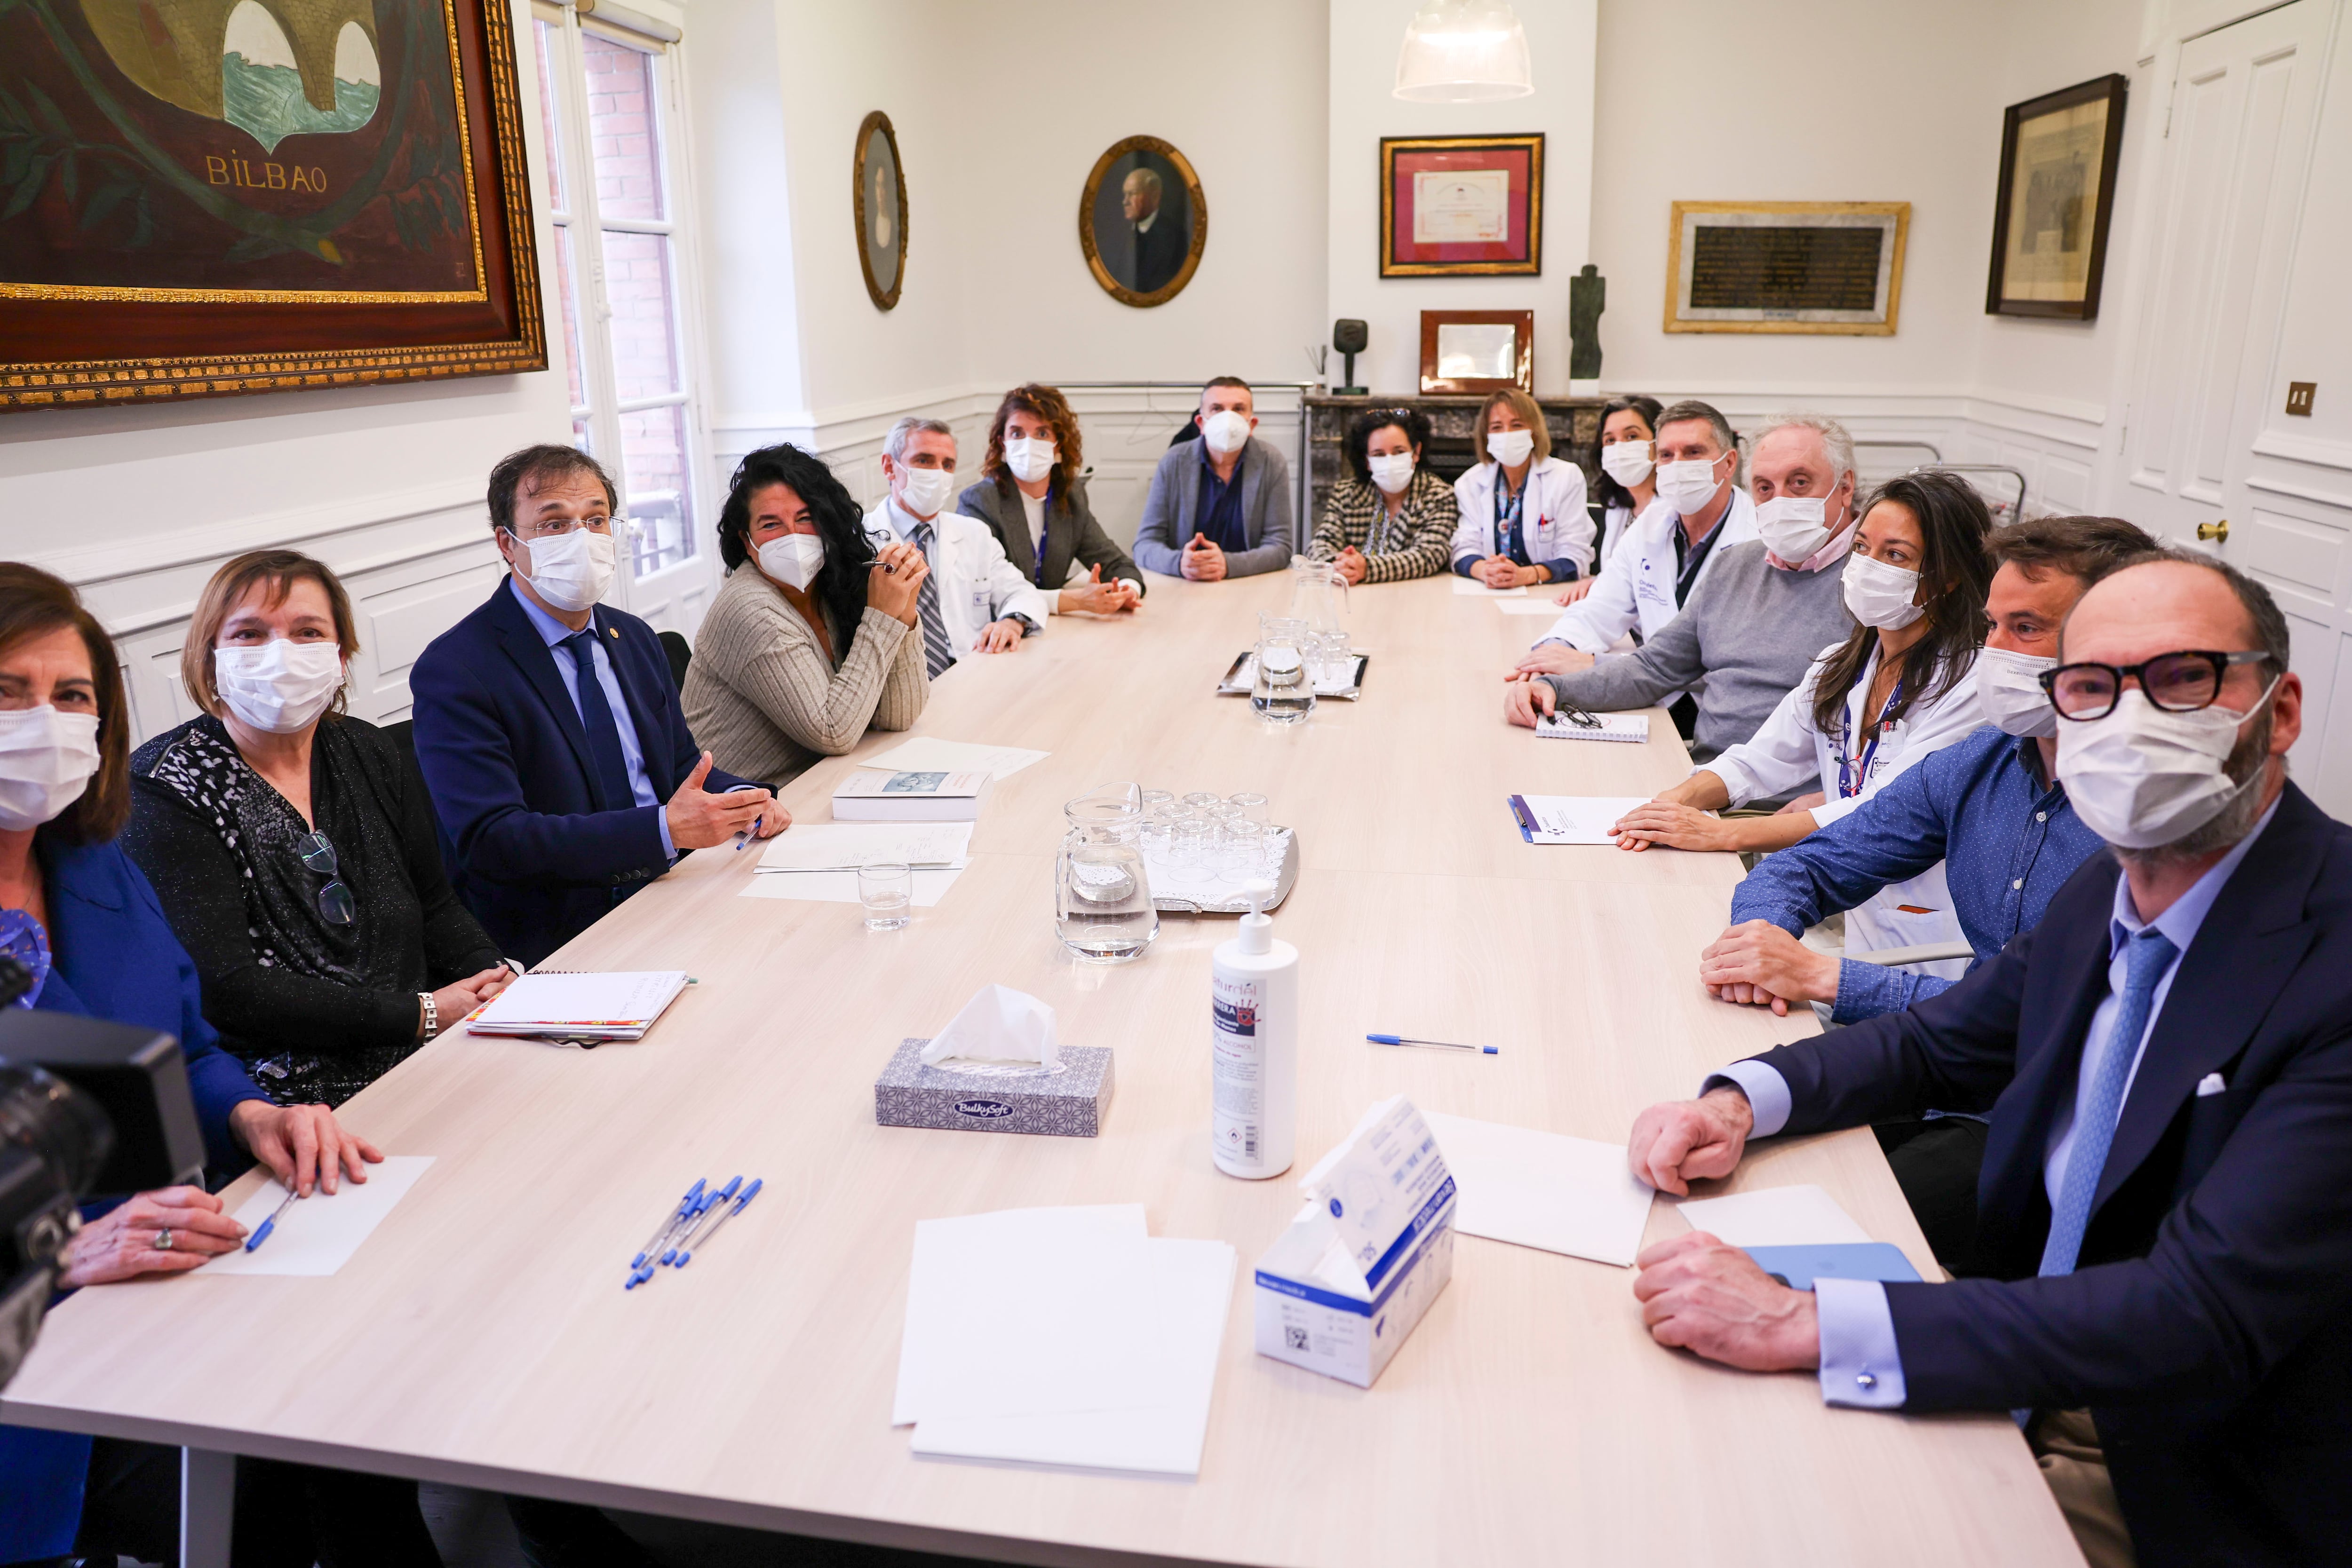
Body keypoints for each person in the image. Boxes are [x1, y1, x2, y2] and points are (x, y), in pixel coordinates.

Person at [1625, 552, 2349, 1568]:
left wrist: (1806, 1320)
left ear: (2277, 711)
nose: (2130, 721)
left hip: (2177, 1458)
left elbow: (2197, 1310)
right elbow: (1941, 1038)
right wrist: (1745, 1097)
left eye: (2183, 677)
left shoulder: (2333, 955)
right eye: (2093, 686)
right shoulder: (2111, 884)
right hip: (2022, 1346)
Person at [0, 564, 386, 1568]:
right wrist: (46, 1258)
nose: (44, 720)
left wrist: (256, 1114)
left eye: (71, 696)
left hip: (180, 1276)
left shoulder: (92, 863)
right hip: (43, 1355)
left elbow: (188, 1049)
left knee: (356, 1409)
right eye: (8, 691)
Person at [1701, 514, 2155, 1023]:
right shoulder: (1978, 765)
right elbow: (1807, 866)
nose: (1994, 652)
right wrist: (1757, 942)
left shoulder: (2160, 818)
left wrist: (1823, 977)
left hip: (2032, 1088)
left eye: (2025, 628)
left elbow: (2047, 1021)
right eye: (1991, 625)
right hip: (1942, 1055)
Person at [123, 551, 513, 1109]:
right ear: (209, 658)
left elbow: (435, 905)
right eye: (250, 634)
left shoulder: (368, 749)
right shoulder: (165, 784)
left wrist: (493, 976)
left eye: (307, 632)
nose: (280, 653)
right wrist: (425, 1013)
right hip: (287, 1103)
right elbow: (228, 988)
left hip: (431, 1057)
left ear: (341, 654)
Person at [1603, 472, 1994, 968]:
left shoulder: (1970, 683)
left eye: (1895, 555)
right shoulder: (1841, 664)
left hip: (1931, 949)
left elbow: (1877, 811)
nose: (1868, 567)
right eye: (1861, 547)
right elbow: (1755, 761)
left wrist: (1724, 834)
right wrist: (1668, 805)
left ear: (1947, 576)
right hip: (1856, 919)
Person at [412, 445, 782, 969]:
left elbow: (678, 768)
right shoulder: (457, 668)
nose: (581, 539)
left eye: (595, 520)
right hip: (561, 932)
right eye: (554, 524)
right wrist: (661, 831)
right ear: (507, 545)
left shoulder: (631, 637)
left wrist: (745, 799)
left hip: (673, 888)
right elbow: (494, 839)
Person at [1504, 415, 1861, 777]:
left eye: (1800, 483)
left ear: (1845, 487)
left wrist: (1823, 803)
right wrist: (1553, 688)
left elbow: (1900, 735)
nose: (1780, 500)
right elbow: (1655, 668)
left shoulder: (1875, 587)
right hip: (1707, 782)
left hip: (1788, 811)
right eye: (1765, 488)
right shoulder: (1734, 567)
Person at [683, 444, 930, 788]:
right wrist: (882, 615)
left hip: (814, 784)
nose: (793, 536)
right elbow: (834, 732)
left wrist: (904, 609)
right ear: (747, 539)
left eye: (804, 518)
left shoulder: (830, 585)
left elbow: (898, 715)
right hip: (738, 814)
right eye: (771, 524)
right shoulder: (750, 610)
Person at [1513, 399, 1757, 738]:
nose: (1677, 465)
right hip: (1652, 699)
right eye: (1667, 455)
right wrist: (1549, 655)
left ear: (1729, 463)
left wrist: (1595, 666)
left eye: (1693, 452)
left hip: (1718, 718)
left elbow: (1720, 662)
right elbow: (1598, 609)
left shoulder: (1756, 541)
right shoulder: (1650, 525)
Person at [863, 416, 1050, 675]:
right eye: (924, 460)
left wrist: (1012, 622)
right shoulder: (861, 541)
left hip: (974, 672)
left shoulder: (974, 533)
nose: (938, 473)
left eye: (947, 465)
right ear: (889, 467)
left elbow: (1023, 593)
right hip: (899, 686)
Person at [956, 383, 1145, 616]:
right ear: (1002, 443)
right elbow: (987, 590)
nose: (1029, 444)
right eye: (1017, 433)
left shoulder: (1070, 494)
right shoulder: (980, 501)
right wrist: (1073, 601)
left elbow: (1115, 563)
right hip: (997, 631)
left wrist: (1125, 592)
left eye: (1042, 434)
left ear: (1060, 444)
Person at [1132, 377, 1296, 581]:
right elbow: (1145, 545)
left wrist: (1227, 565)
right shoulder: (1174, 462)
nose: (1228, 419)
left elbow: (1281, 547)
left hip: (1249, 584)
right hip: (1184, 585)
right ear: (1201, 423)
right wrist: (1180, 563)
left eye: (1238, 409)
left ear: (1252, 424)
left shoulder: (1271, 462)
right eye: (1217, 409)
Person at [1450, 388, 1592, 587]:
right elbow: (1463, 548)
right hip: (1489, 591)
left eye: (1517, 425)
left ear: (1534, 432)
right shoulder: (1470, 483)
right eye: (1497, 427)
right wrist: (1486, 571)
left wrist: (1526, 575)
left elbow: (1576, 556)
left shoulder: (1566, 477)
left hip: (1547, 593)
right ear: (1486, 436)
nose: (1507, 434)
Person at [1308, 406, 1459, 584]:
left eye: (1399, 452)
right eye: (1379, 454)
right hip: (1353, 595)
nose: (1389, 461)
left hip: (1413, 596)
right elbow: (1320, 544)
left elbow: (1430, 555)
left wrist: (1367, 568)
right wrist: (1339, 565)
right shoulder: (1346, 494)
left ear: (1416, 452)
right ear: (1368, 461)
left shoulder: (1439, 496)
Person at [1579, 393, 1664, 581]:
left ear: (1659, 442)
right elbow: (1616, 574)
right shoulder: (1618, 506)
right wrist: (1597, 584)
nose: (1619, 448)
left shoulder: (1675, 507)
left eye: (1632, 436)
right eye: (1610, 440)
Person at [1121, 165, 1187, 294]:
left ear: (1155, 196)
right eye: (1125, 194)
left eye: (1132, 194)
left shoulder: (1175, 236)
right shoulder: (1121, 237)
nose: (1125, 201)